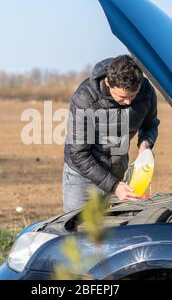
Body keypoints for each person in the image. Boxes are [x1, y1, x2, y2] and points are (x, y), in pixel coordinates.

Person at [63, 55, 160, 212]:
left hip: (119, 171)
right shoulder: (84, 100)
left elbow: (150, 125)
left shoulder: (146, 92)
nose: (129, 102)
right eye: (123, 97)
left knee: (118, 231)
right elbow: (78, 154)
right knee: (78, 232)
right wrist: (114, 186)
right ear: (108, 83)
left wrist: (145, 145)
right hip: (82, 177)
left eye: (133, 95)